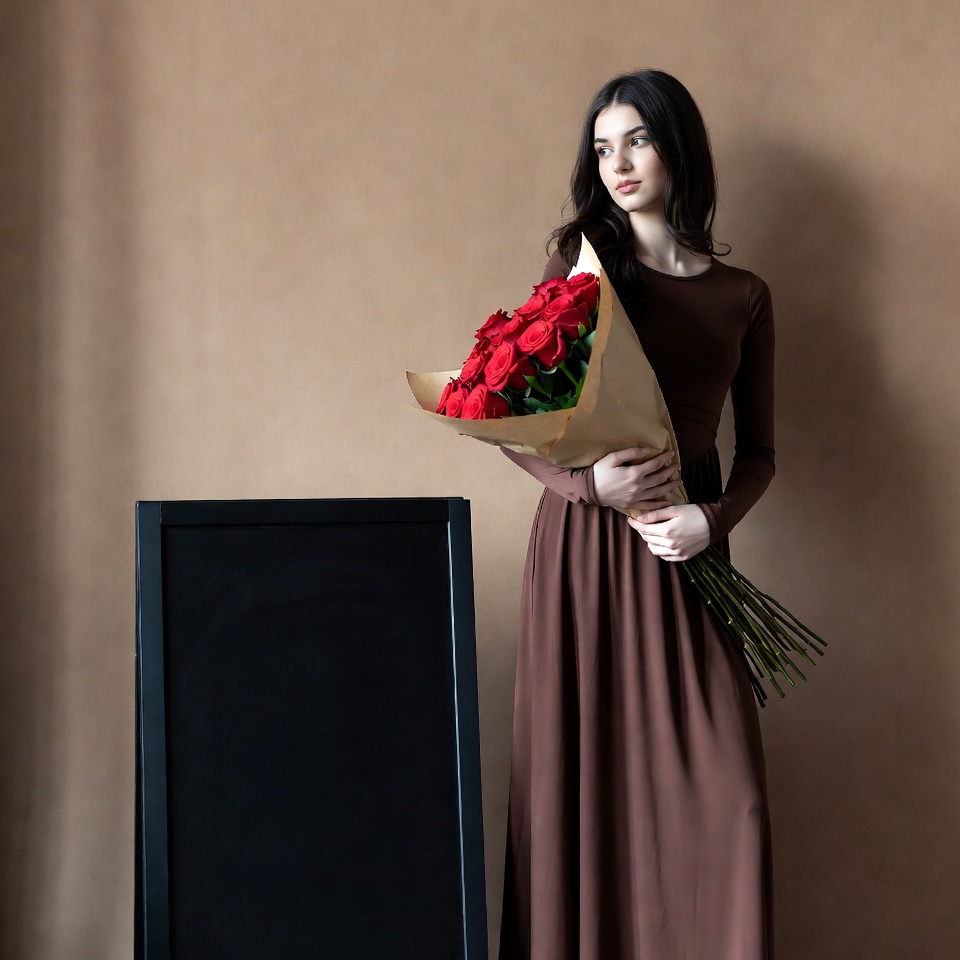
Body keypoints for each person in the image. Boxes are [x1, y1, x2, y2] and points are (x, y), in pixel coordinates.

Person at [498, 69, 776, 960]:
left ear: (677, 147)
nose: (617, 163)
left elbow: (760, 452)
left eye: (639, 140)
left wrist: (712, 521)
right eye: (602, 147)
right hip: (586, 546)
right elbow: (506, 418)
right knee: (586, 784)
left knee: (731, 800)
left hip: (688, 551)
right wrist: (591, 490)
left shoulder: (744, 295)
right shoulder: (580, 267)